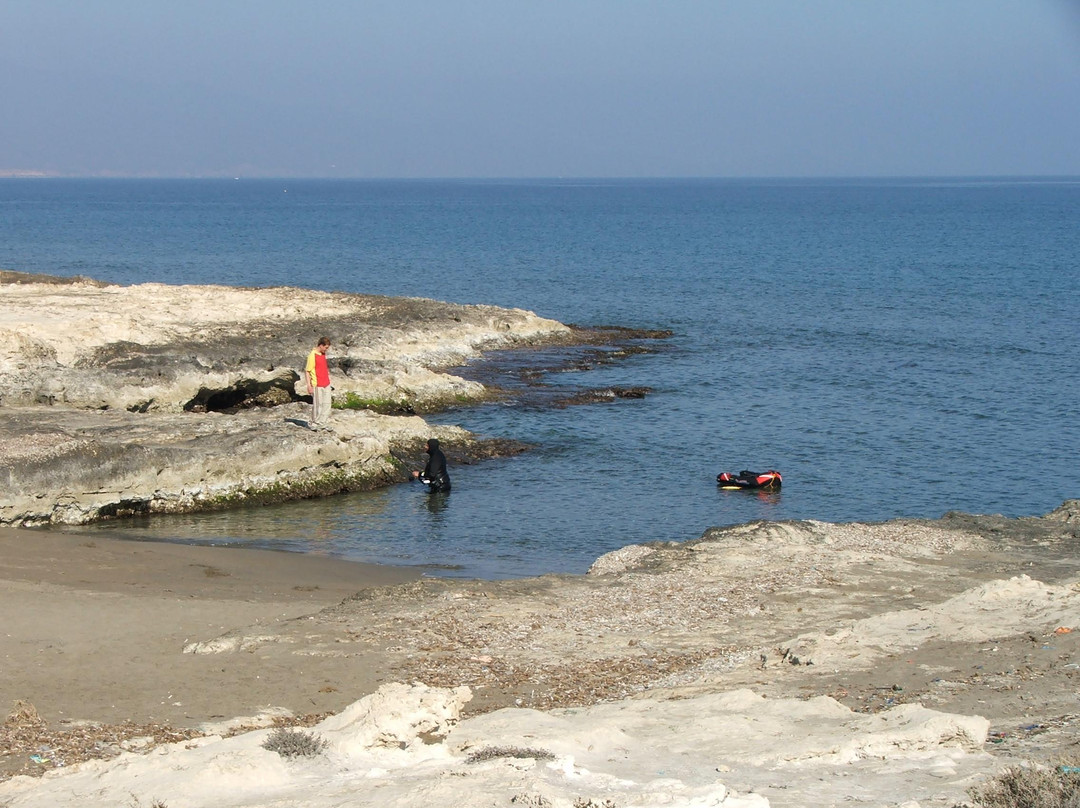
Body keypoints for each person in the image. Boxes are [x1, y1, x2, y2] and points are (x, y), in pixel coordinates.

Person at [305, 337, 332, 431]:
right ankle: (314, 422)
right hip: (317, 384)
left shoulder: (323, 354)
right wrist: (309, 385)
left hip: (326, 383)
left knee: (327, 403)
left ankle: (322, 422)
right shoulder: (312, 355)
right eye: (326, 347)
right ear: (321, 345)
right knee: (318, 404)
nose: (326, 350)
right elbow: (307, 371)